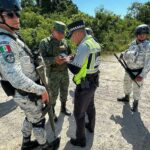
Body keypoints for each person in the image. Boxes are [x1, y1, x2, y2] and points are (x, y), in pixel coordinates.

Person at [0, 0, 58, 149]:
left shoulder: (12, 36)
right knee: (38, 121)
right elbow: (16, 78)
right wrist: (42, 90)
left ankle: (26, 143)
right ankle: (44, 146)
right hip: (27, 92)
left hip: (28, 91)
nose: (16, 18)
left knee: (30, 117)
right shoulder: (4, 42)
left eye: (17, 13)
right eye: (10, 14)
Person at [67, 20, 101, 147]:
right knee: (90, 105)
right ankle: (91, 126)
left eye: (72, 36)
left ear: (78, 33)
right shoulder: (94, 42)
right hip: (94, 80)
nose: (71, 39)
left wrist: (66, 60)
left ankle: (80, 140)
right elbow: (88, 59)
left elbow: (75, 69)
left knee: (78, 113)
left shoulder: (83, 45)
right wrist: (74, 57)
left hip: (85, 84)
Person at [39, 21, 72, 122]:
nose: (62, 35)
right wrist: (54, 60)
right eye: (59, 33)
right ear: (53, 30)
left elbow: (70, 54)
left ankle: (63, 107)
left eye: (63, 33)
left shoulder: (65, 42)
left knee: (64, 91)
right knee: (53, 94)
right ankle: (52, 111)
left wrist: (69, 58)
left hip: (64, 72)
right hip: (53, 74)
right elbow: (42, 60)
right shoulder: (44, 43)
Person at [117, 24, 150, 112]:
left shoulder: (148, 46)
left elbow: (148, 63)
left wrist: (142, 75)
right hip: (129, 69)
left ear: (147, 34)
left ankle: (135, 103)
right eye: (140, 34)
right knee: (126, 84)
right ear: (136, 34)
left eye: (144, 33)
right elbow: (129, 50)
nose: (142, 35)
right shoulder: (133, 42)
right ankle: (126, 97)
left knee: (137, 88)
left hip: (138, 71)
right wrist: (123, 53)